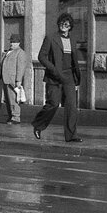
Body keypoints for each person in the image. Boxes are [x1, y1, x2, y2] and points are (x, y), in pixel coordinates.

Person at [33, 12, 83, 142]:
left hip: (69, 77)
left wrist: (76, 78)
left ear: (70, 26)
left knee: (72, 107)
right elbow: (41, 57)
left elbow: (74, 60)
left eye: (66, 24)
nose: (63, 26)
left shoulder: (72, 39)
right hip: (54, 77)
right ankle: (38, 125)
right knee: (53, 104)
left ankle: (71, 135)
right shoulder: (50, 38)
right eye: (61, 23)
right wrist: (53, 69)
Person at [0, 34, 30, 124]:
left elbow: (21, 68)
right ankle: (10, 116)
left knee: (14, 99)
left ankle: (16, 117)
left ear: (19, 43)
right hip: (6, 78)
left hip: (13, 79)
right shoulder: (8, 51)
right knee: (8, 99)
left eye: (14, 42)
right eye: (11, 41)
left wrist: (18, 80)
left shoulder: (20, 53)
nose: (12, 44)